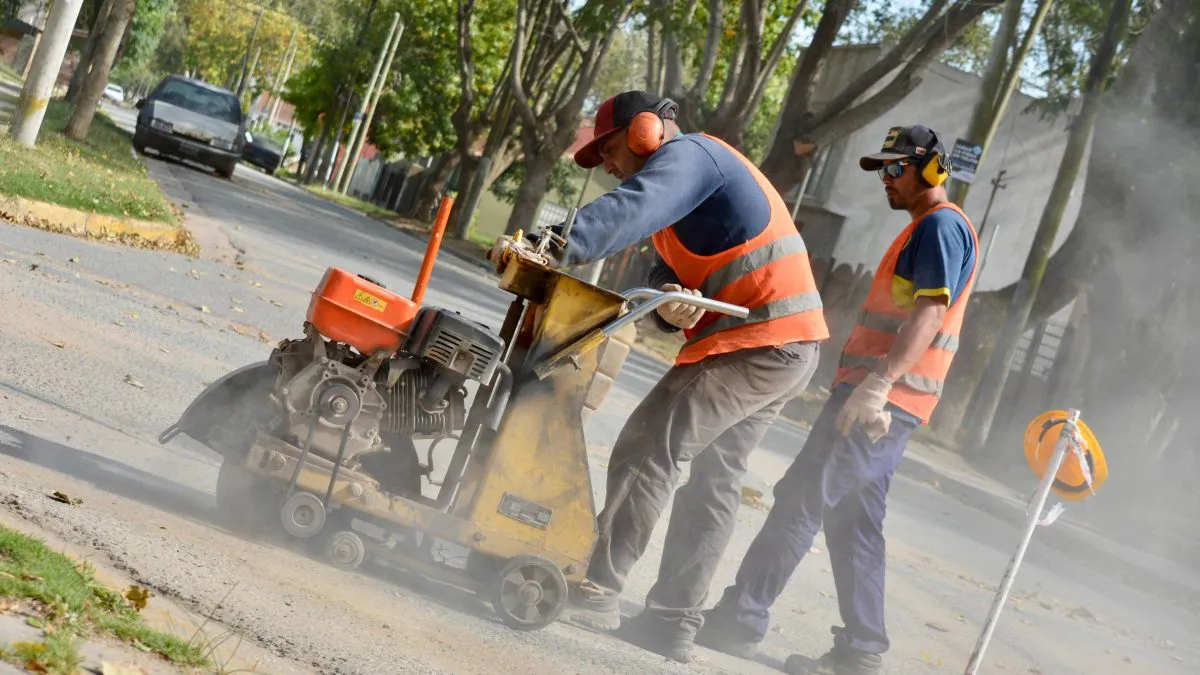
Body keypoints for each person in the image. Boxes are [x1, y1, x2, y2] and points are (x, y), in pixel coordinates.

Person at [488, 90, 829, 663]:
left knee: (651, 444)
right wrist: (672, 298)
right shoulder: (684, 192)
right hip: (786, 345)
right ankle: (673, 621)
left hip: (761, 343)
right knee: (715, 481)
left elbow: (632, 208)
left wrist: (546, 245)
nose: (610, 167)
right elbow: (669, 273)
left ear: (647, 131)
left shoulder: (694, 157)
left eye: (612, 150)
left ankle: (594, 583)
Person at [694, 124, 979, 675]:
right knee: (854, 520)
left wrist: (879, 385)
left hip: (882, 400)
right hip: (887, 400)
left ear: (930, 170)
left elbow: (929, 313)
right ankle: (861, 651)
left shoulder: (940, 228)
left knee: (803, 497)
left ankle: (740, 620)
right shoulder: (931, 227)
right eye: (883, 170)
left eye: (895, 169)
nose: (886, 180)